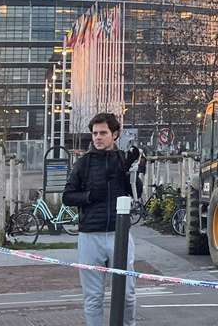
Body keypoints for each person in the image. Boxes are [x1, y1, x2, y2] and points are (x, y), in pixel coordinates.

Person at [63, 112, 140, 326]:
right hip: (90, 235)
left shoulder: (123, 160)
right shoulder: (83, 163)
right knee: (93, 297)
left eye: (103, 133)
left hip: (120, 234)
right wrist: (88, 197)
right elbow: (67, 196)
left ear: (114, 134)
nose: (97, 137)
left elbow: (136, 193)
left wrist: (131, 172)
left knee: (127, 294)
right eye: (94, 133)